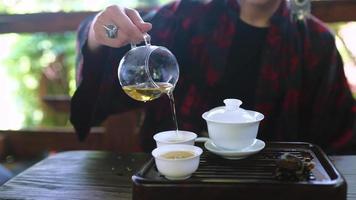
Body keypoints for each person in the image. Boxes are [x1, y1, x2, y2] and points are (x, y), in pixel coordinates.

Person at [71, 0, 355, 154]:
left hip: (275, 184)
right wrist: (98, 33)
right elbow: (121, 45)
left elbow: (340, 136)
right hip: (175, 180)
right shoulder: (188, 16)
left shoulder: (314, 41)